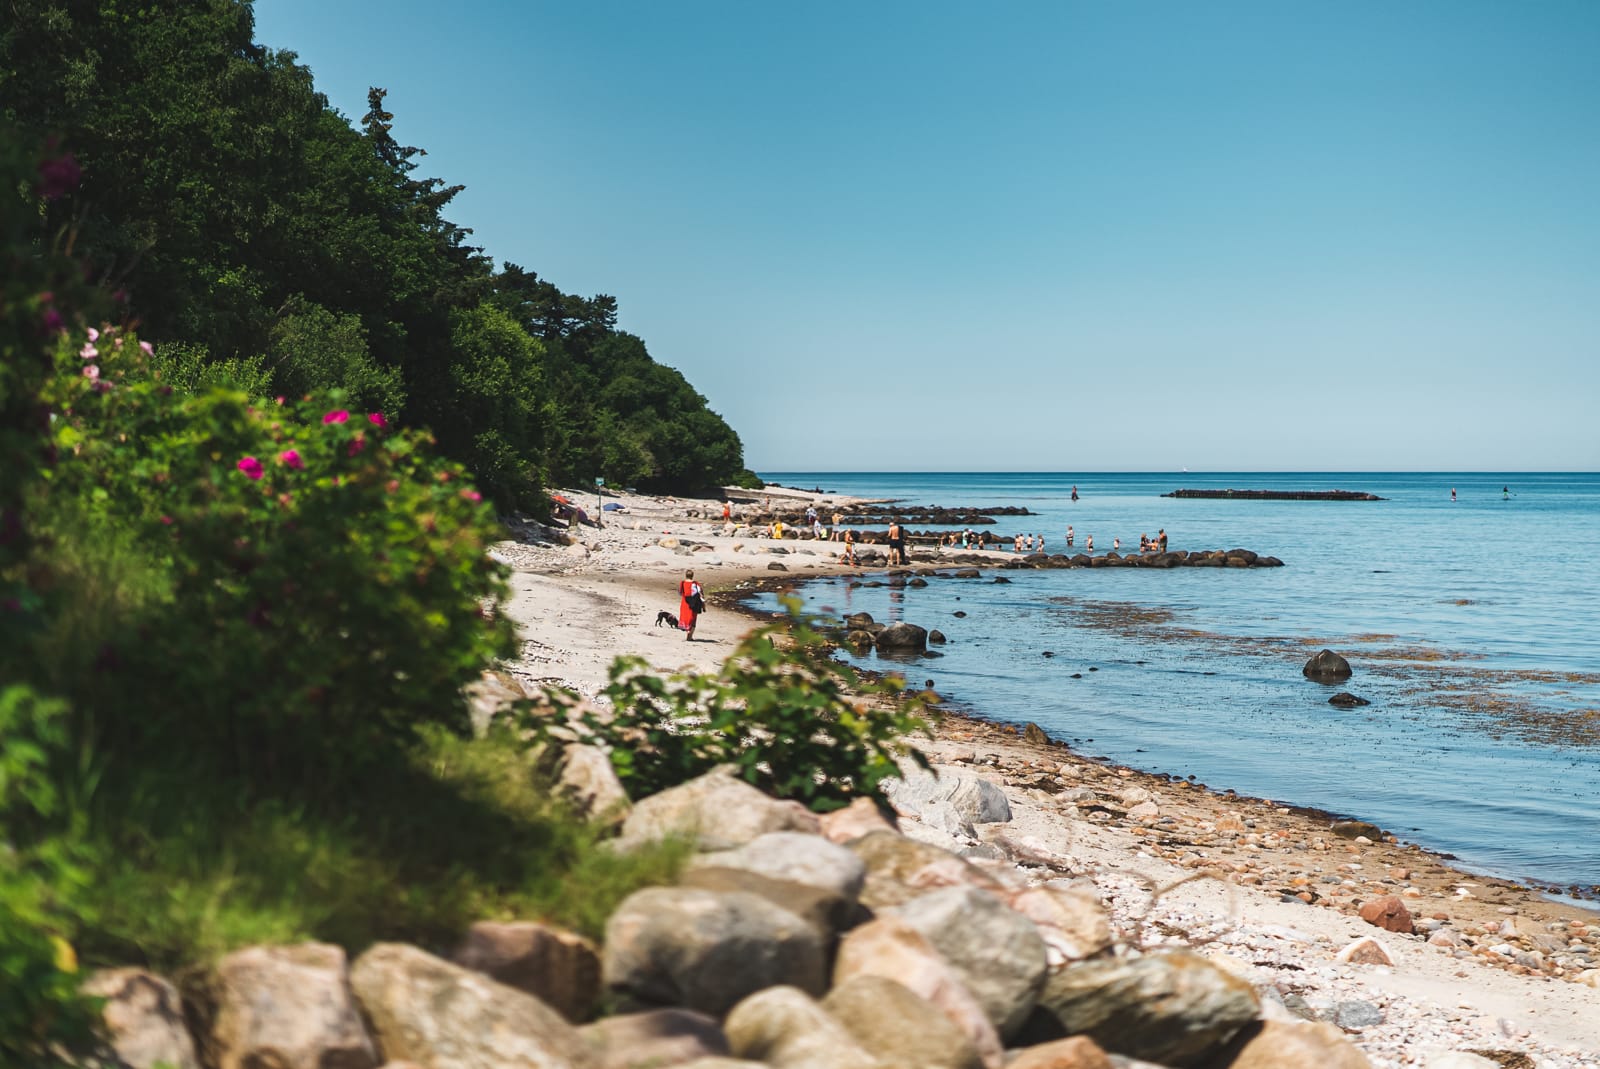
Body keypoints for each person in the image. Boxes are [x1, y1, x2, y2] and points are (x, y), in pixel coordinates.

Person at [678, 569, 703, 641]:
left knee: (686, 617)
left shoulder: (682, 583)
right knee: (693, 618)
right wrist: (703, 603)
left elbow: (680, 593)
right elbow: (700, 592)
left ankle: (687, 631)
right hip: (694, 603)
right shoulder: (695, 583)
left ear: (686, 575)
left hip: (684, 603)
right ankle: (690, 635)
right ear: (692, 576)